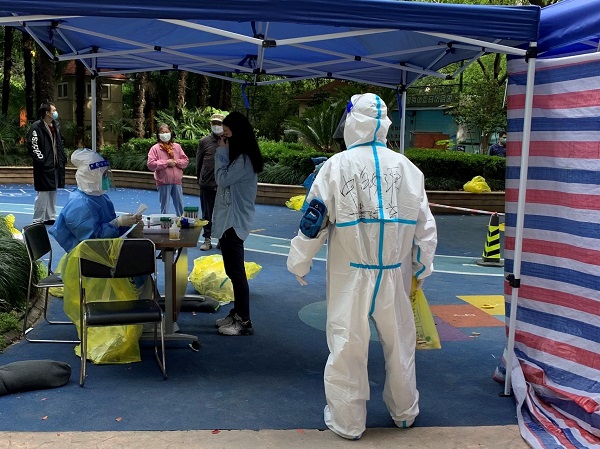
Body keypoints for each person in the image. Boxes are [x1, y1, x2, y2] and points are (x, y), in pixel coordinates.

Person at [287, 93, 437, 440]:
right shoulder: (409, 169)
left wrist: (299, 261)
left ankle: (348, 421)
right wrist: (421, 267)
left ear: (353, 122)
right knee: (400, 344)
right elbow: (425, 227)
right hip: (394, 272)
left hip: (351, 273)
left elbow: (313, 222)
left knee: (347, 345)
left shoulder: (336, 166)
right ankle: (404, 412)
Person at [212, 111, 264, 336]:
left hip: (234, 222)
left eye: (227, 135)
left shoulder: (243, 160)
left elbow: (222, 179)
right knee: (232, 271)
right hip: (229, 221)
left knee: (236, 272)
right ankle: (236, 313)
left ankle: (244, 321)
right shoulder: (240, 158)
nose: (223, 139)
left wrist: (221, 152)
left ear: (238, 134)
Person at [49, 148, 140, 253]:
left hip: (103, 250)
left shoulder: (99, 197)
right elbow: (92, 241)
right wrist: (117, 223)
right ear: (91, 176)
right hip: (88, 256)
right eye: (104, 175)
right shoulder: (80, 204)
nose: (106, 179)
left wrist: (127, 223)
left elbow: (109, 229)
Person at [27, 101, 67, 225]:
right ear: (47, 113)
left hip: (55, 164)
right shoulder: (36, 127)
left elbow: (60, 144)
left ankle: (50, 217)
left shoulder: (56, 126)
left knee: (52, 191)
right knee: (43, 193)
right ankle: (38, 219)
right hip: (43, 165)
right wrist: (41, 160)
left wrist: (62, 158)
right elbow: (33, 145)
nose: (55, 113)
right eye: (53, 110)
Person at [196, 113, 225, 251]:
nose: (216, 126)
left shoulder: (228, 141)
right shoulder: (204, 141)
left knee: (222, 214)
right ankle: (207, 239)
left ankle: (221, 239)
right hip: (207, 184)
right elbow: (199, 162)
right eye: (214, 123)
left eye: (219, 123)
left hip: (223, 185)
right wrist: (200, 180)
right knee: (206, 214)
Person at [147, 124, 189, 216]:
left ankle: (182, 220)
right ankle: (164, 222)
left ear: (170, 133)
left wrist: (176, 162)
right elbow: (151, 165)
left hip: (177, 182)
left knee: (180, 205)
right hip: (163, 182)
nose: (165, 134)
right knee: (164, 206)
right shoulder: (155, 149)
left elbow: (185, 161)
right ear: (158, 134)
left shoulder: (177, 147)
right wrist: (166, 163)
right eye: (162, 132)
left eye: (166, 132)